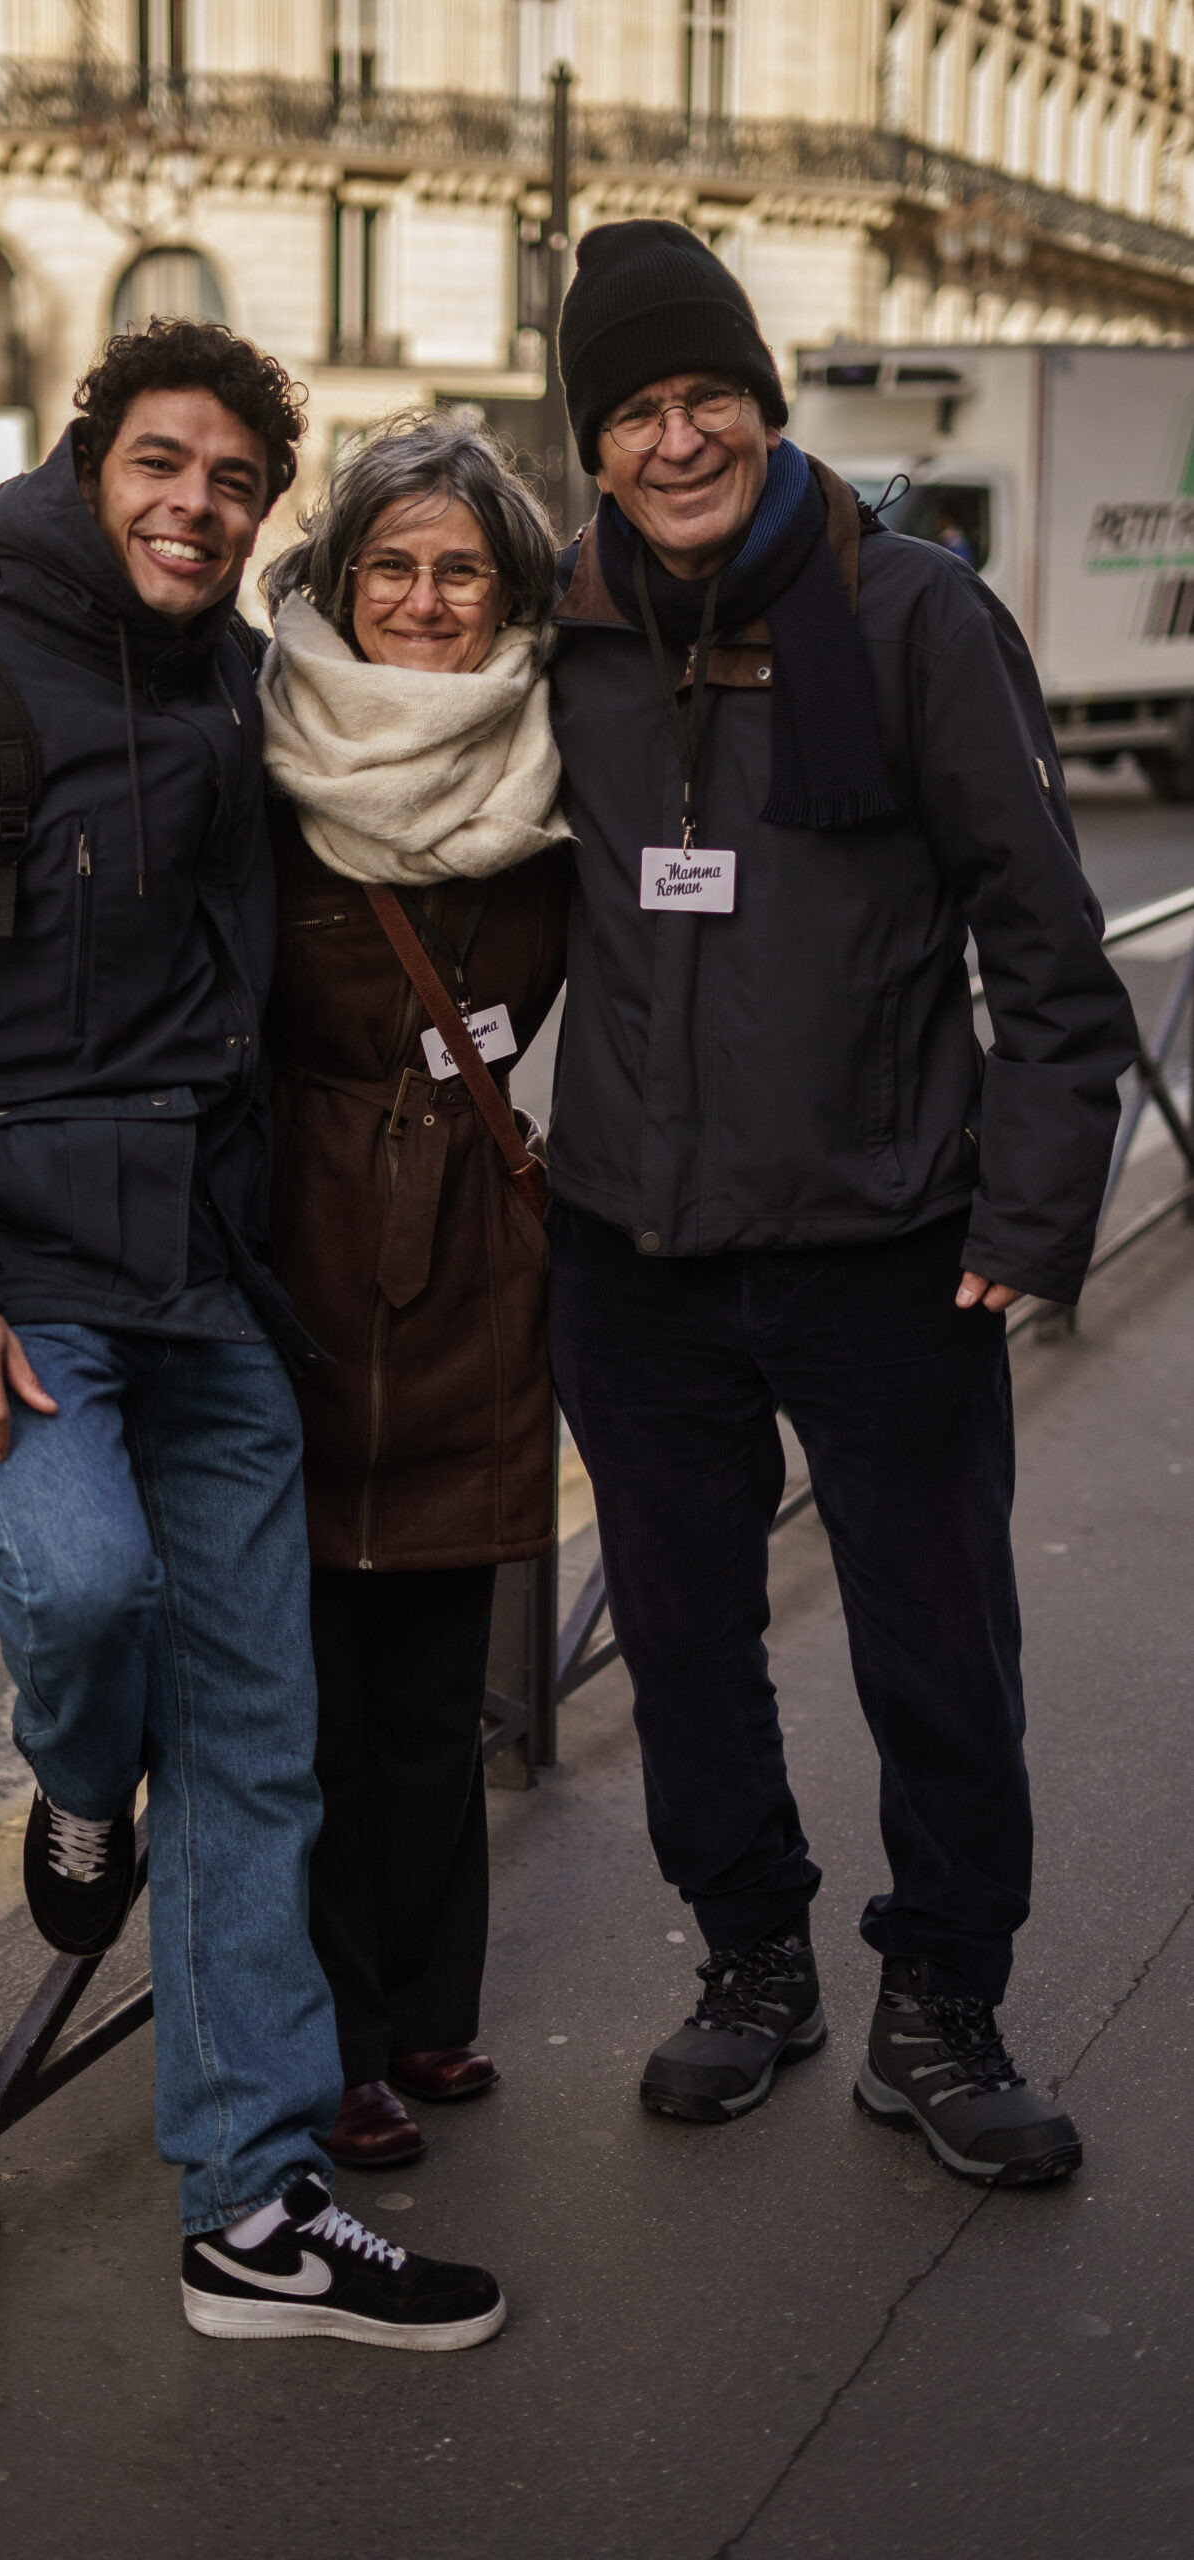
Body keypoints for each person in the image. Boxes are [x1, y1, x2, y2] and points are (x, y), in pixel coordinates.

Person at [0, 319, 504, 2350]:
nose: (196, 503)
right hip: (14, 1299)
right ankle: (75, 1790)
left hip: (211, 1303)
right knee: (77, 1591)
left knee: (260, 1753)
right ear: (91, 465)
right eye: (164, 462)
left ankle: (251, 2202)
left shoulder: (241, 694)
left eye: (235, 484)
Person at [545, 222, 1137, 2184]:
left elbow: (1047, 950)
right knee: (681, 1645)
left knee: (934, 1648)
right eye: (629, 409)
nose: (673, 435)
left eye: (701, 391)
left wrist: (1019, 1221)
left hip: (889, 1248)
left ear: (758, 397)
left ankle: (940, 2002)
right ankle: (748, 1963)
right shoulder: (569, 632)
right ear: (592, 443)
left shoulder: (908, 617)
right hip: (633, 1256)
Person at [259, 412, 568, 2168]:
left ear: (506, 590)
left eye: (461, 571)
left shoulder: (555, 757)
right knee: (300, 1685)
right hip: (298, 1256)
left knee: (436, 1681)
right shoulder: (268, 757)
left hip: (475, 1250)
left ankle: (430, 2014)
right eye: (394, 567)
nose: (428, 602)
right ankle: (339, 2038)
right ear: (340, 580)